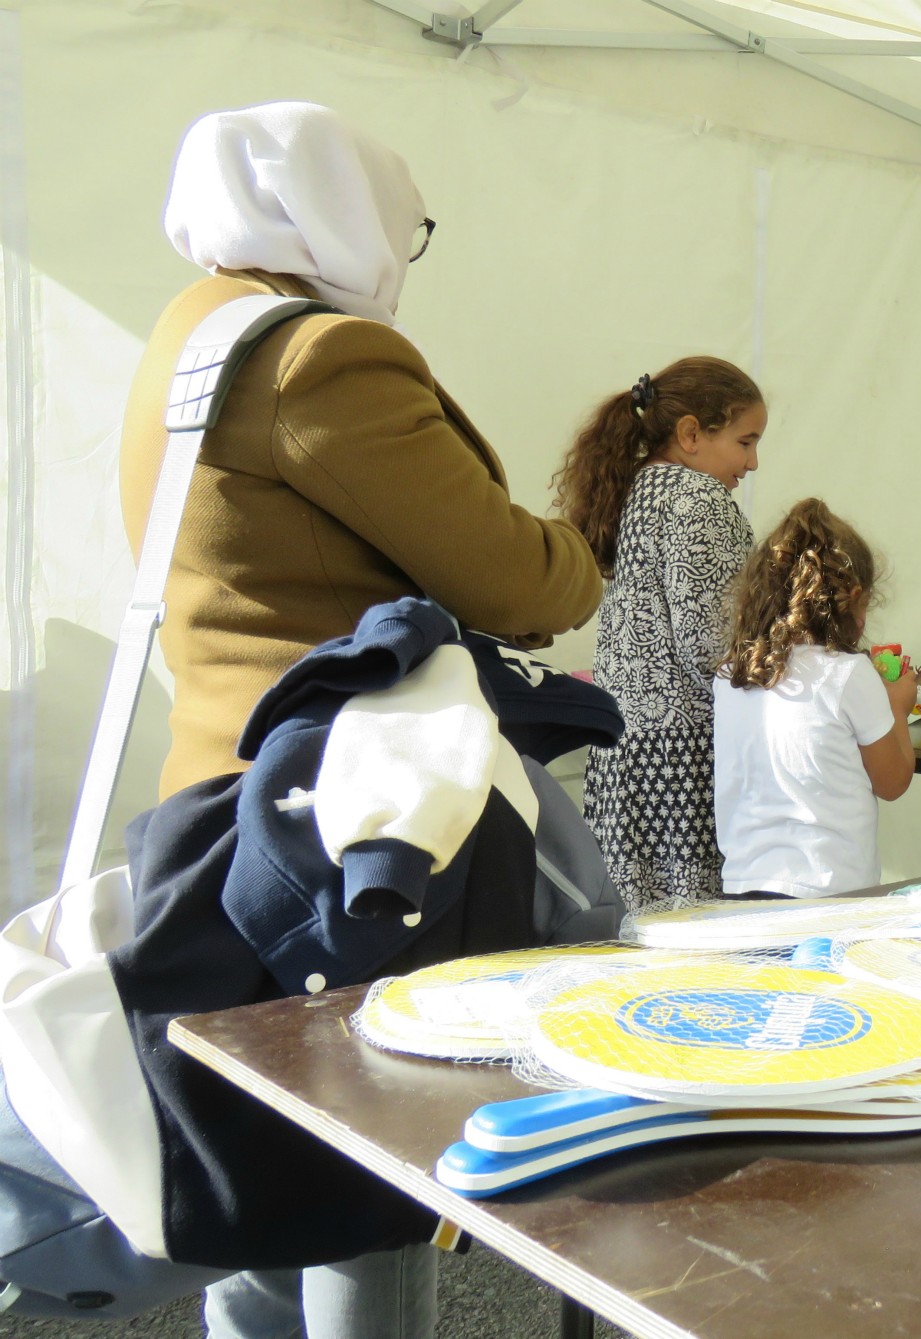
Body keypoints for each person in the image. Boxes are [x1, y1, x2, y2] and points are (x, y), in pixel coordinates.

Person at [119, 103, 603, 1339]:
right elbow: (513, 576)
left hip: (212, 806)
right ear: (342, 208)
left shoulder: (183, 339)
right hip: (359, 818)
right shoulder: (324, 354)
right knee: (366, 1176)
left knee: (259, 1158)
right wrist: (570, 551)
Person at [554, 357, 765, 910]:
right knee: (695, 936)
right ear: (691, 432)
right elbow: (707, 644)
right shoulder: (701, 500)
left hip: (625, 748)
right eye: (746, 442)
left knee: (634, 930)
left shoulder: (640, 490)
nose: (754, 462)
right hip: (681, 756)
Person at [712, 498, 918, 899]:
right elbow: (893, 782)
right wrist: (897, 706)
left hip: (742, 889)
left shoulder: (731, 675)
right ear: (855, 598)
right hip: (829, 894)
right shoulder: (849, 674)